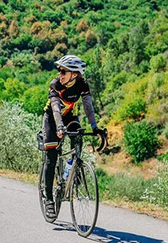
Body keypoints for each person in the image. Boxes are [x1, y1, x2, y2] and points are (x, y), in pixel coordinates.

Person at [41, 55, 103, 218]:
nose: (59, 74)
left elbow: (88, 107)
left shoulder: (82, 84)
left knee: (78, 135)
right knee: (51, 158)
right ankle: (48, 199)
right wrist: (59, 126)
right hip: (52, 119)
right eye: (59, 70)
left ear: (74, 74)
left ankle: (71, 168)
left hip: (69, 116)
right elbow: (55, 108)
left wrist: (95, 127)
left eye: (63, 71)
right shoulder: (55, 84)